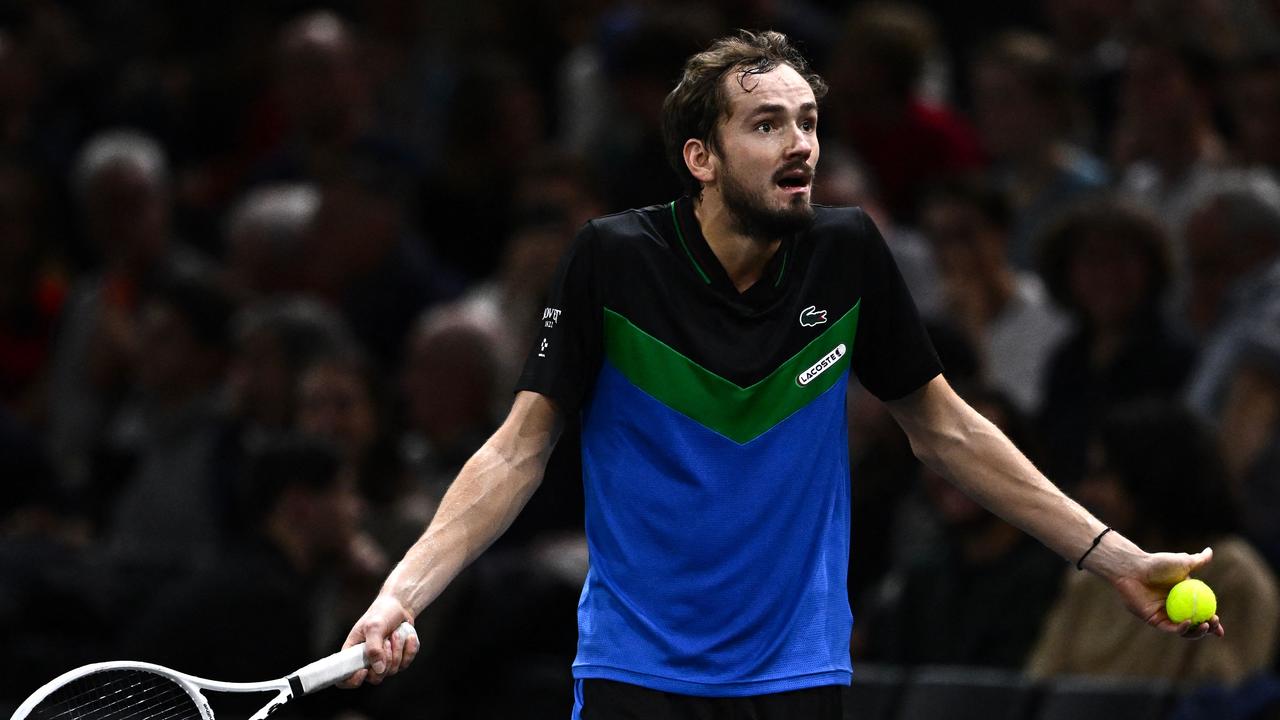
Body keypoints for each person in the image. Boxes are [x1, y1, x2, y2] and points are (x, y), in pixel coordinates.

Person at [338, 31, 1224, 719]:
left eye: (807, 121)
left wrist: (1116, 560)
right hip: (634, 672)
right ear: (702, 157)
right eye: (766, 124)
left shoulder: (847, 256)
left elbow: (948, 430)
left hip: (796, 673)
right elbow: (516, 451)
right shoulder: (613, 262)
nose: (799, 142)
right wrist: (401, 595)